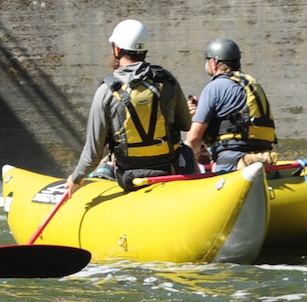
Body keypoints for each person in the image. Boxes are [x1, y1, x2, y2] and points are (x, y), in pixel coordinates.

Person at [67, 19, 191, 184]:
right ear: (145, 49)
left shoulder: (106, 92)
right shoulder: (168, 82)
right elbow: (186, 125)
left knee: (104, 167)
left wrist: (74, 179)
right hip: (170, 171)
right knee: (187, 151)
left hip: (128, 178)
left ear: (117, 49)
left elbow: (92, 156)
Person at [184, 37, 278, 173]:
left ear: (213, 62)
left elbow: (193, 139)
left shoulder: (214, 87)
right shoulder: (252, 83)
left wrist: (192, 119)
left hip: (232, 161)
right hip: (264, 155)